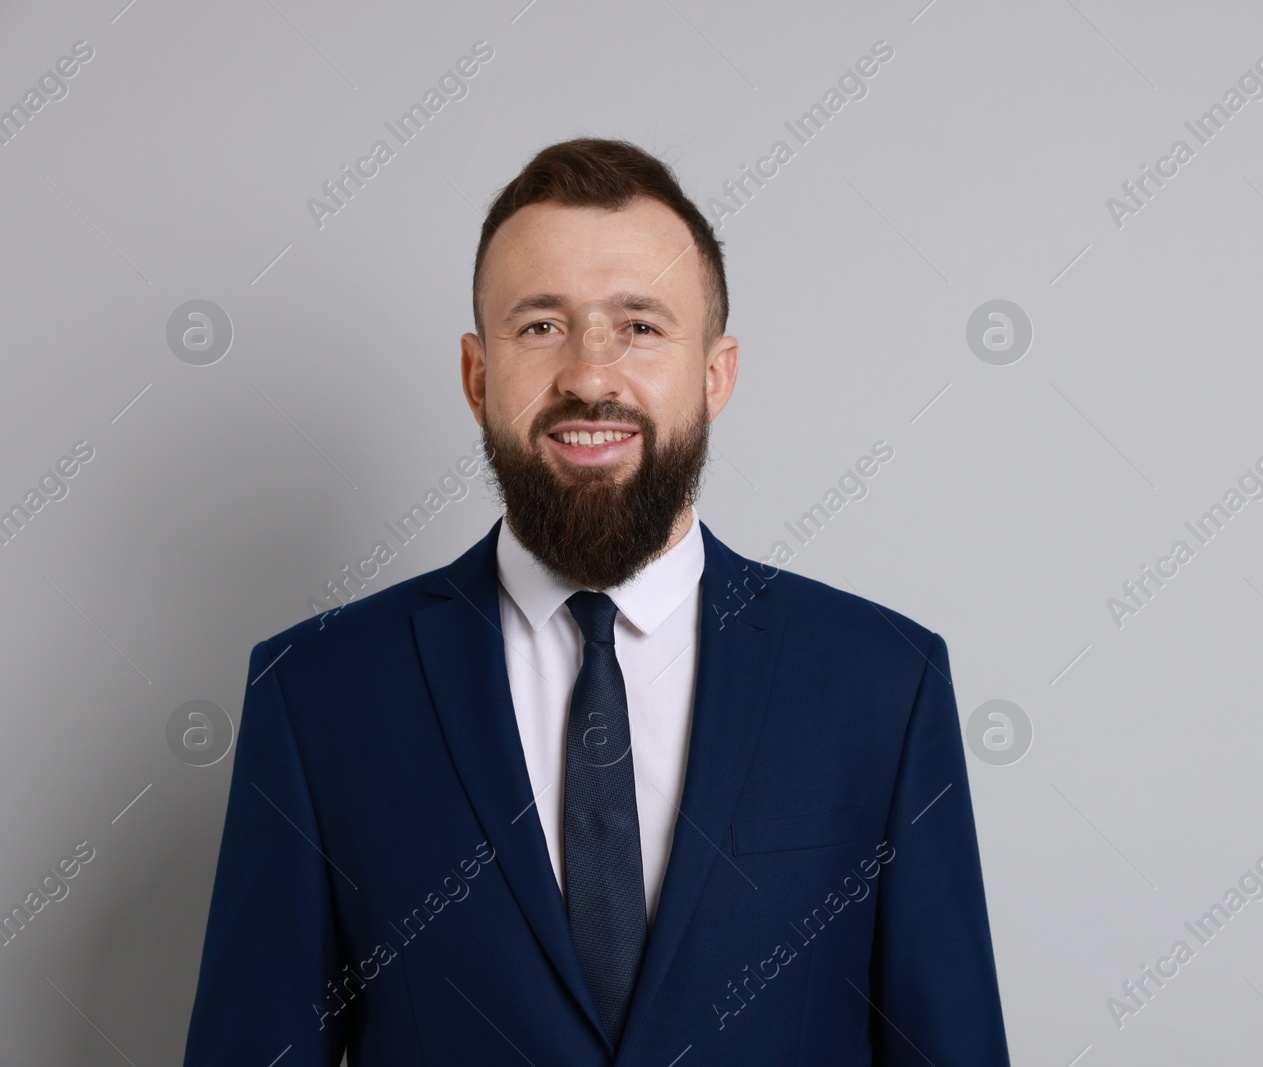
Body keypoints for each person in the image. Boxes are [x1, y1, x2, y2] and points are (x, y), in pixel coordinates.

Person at [183, 138, 1009, 1065]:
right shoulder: (318, 695)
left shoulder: (882, 686)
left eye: (641, 326)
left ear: (716, 374)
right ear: (476, 375)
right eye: (541, 326)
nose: (589, 374)